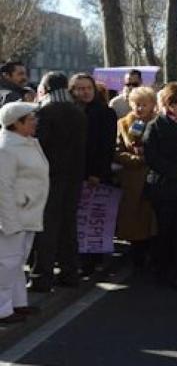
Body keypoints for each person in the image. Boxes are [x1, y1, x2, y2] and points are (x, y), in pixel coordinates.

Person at [30, 73, 87, 292]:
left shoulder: (44, 112)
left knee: (47, 227)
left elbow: (40, 145)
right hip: (74, 176)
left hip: (50, 177)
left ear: (45, 87)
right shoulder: (78, 112)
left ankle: (42, 277)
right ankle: (70, 272)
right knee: (68, 225)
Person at [144, 83, 177, 289]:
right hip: (164, 186)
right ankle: (163, 268)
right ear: (167, 104)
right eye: (175, 104)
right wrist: (176, 171)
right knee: (165, 229)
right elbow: (152, 156)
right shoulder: (156, 125)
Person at [0, 103, 49, 324]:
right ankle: (2, 309)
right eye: (30, 118)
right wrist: (9, 221)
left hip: (28, 213)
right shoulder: (6, 148)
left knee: (18, 261)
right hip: (14, 216)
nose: (35, 121)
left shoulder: (27, 143)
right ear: (16, 123)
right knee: (6, 263)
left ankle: (17, 303)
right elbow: (3, 187)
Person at [69, 73, 117, 278]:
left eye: (88, 87)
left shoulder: (105, 112)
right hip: (73, 172)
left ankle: (93, 260)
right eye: (79, 88)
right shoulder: (71, 111)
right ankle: (80, 259)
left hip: (95, 172)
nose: (85, 92)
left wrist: (97, 172)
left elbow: (106, 147)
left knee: (94, 218)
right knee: (78, 218)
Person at [113, 86, 159, 270]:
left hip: (155, 178)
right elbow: (117, 152)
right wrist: (137, 159)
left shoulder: (159, 123)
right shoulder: (123, 123)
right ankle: (137, 258)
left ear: (153, 105)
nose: (140, 109)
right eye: (136, 104)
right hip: (134, 179)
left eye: (144, 104)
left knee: (154, 222)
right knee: (136, 222)